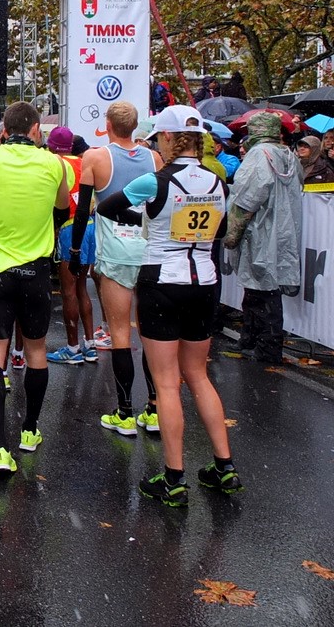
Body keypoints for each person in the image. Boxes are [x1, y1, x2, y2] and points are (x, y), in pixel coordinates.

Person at [96, 105, 242, 505]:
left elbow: (106, 207)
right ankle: (224, 466)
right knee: (198, 375)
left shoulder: (156, 180)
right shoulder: (218, 181)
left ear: (166, 138)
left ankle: (174, 476)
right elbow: (221, 230)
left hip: (162, 281)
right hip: (204, 282)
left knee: (166, 382)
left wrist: (140, 220)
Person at [0, 102, 70, 473]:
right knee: (36, 352)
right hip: (36, 271)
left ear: (3, 129)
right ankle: (29, 429)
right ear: (36, 129)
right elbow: (63, 210)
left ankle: (0, 448)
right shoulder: (54, 164)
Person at [70, 101, 163, 436]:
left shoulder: (95, 157)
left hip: (116, 252)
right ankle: (154, 408)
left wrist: (76, 250)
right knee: (151, 333)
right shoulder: (155, 158)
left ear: (107, 124)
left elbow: (83, 210)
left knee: (121, 334)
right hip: (150, 251)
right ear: (135, 126)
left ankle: (125, 412)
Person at [224, 112, 304, 363]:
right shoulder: (289, 155)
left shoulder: (258, 155)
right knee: (258, 287)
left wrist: (233, 232)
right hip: (284, 229)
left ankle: (268, 346)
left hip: (260, 229)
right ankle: (250, 337)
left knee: (263, 288)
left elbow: (247, 198)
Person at [45, 127, 97, 366]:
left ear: (52, 146)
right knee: (82, 287)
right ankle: (90, 345)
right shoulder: (84, 162)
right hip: (89, 225)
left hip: (69, 227)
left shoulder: (57, 164)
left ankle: (73, 348)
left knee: (68, 291)